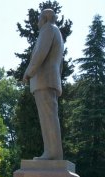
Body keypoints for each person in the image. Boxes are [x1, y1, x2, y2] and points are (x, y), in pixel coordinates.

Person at [23, 8, 64, 160]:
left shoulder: (48, 30)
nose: (38, 22)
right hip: (50, 79)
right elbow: (60, 63)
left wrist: (29, 72)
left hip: (44, 80)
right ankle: (53, 151)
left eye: (39, 18)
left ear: (45, 19)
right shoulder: (58, 33)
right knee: (50, 117)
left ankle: (52, 152)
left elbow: (40, 52)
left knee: (48, 118)